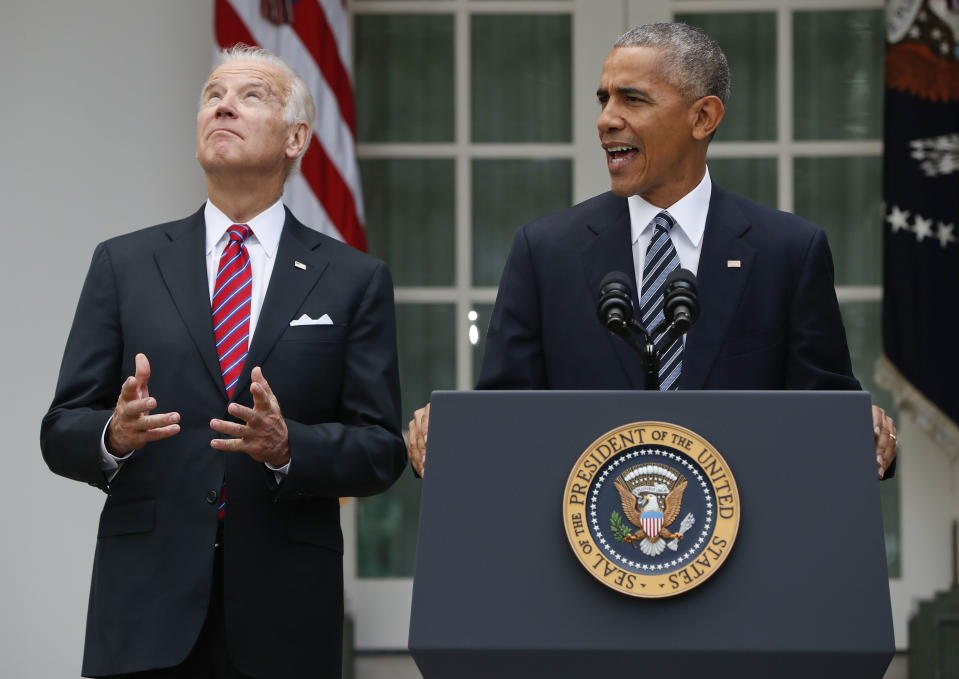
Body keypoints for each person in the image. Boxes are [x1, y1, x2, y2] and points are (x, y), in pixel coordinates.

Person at [40, 46, 406, 678]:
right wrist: (113, 435)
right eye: (213, 95)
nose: (224, 106)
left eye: (250, 95)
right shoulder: (124, 265)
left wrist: (290, 446)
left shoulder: (353, 279)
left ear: (296, 138)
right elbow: (60, 429)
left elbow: (381, 450)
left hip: (284, 615)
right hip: (145, 612)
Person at [408, 23, 898, 479]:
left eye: (632, 99)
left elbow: (826, 417)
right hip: (586, 551)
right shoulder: (545, 251)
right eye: (603, 99)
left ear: (702, 117)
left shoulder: (788, 251)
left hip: (745, 550)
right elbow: (503, 415)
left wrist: (864, 431)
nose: (605, 120)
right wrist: (454, 430)